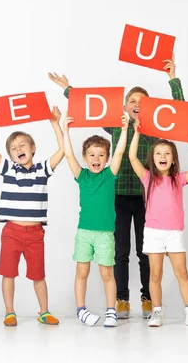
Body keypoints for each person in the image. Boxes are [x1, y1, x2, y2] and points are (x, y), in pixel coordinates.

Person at [48, 58, 184, 318]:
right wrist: (68, 89)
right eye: (132, 101)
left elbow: (179, 111)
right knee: (120, 252)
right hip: (118, 198)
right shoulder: (116, 125)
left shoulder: (156, 128)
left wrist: (172, 79)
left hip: (148, 200)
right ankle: (121, 300)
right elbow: (91, 107)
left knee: (146, 252)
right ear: (124, 107)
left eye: (142, 102)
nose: (137, 105)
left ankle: (147, 298)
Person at [0, 105, 64, 326]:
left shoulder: (43, 169)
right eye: (13, 148)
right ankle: (10, 311)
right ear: (10, 154)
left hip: (35, 234)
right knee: (8, 273)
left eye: (22, 145)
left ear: (33, 148)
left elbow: (63, 151)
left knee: (38, 274)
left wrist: (54, 124)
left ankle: (44, 311)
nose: (18, 149)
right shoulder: (9, 169)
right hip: (11, 231)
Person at [128, 124, 188, 328]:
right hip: (154, 233)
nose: (162, 156)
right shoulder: (147, 177)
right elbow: (131, 158)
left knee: (182, 273)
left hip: (174, 233)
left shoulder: (178, 179)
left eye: (167, 153)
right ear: (152, 157)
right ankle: (157, 311)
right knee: (155, 274)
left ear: (173, 159)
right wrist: (137, 133)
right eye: (158, 153)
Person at [63, 114, 128, 327]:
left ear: (107, 158)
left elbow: (120, 151)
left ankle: (112, 311)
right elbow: (69, 155)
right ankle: (80, 310)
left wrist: (125, 129)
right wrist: (66, 130)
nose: (96, 159)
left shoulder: (110, 175)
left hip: (105, 234)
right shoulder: (82, 176)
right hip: (84, 233)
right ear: (85, 157)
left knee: (106, 272)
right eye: (91, 155)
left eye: (101, 155)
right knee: (81, 272)